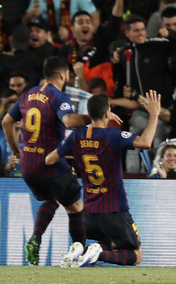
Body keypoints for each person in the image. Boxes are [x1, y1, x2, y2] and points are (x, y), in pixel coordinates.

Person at [1, 57, 113, 266]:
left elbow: (6, 121)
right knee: (76, 206)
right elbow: (69, 120)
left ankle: (36, 238)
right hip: (50, 163)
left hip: (27, 165)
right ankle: (80, 256)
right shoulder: (58, 96)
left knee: (53, 198)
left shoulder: (27, 94)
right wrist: (96, 117)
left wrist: (17, 151)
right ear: (63, 75)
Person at [45, 90, 161, 266]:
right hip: (114, 210)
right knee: (136, 255)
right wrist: (154, 114)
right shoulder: (112, 135)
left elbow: (49, 159)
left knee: (112, 244)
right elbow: (145, 142)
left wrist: (72, 173)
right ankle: (97, 253)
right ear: (107, 113)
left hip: (89, 213)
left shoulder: (76, 136)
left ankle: (80, 250)